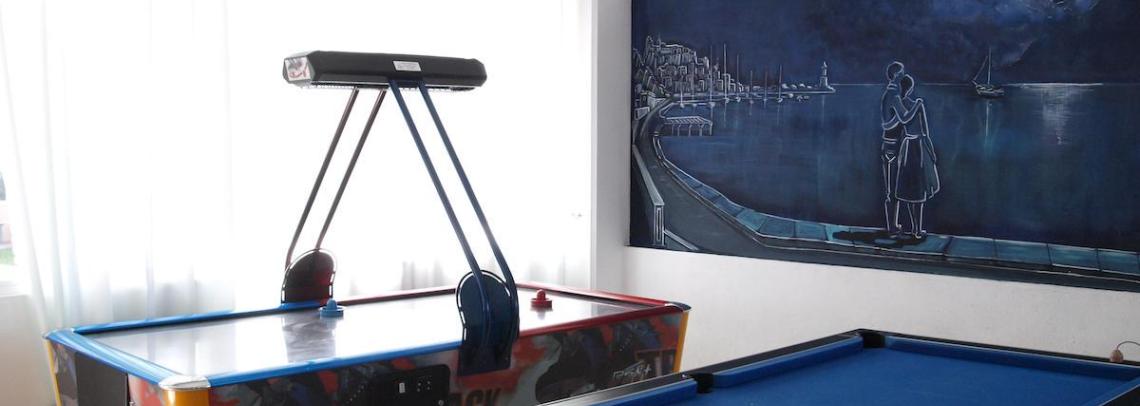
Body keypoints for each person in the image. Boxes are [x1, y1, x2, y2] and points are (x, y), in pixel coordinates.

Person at [879, 62, 924, 236]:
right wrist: (917, 105)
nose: (904, 76)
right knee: (893, 187)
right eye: (902, 73)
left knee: (892, 187)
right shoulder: (894, 95)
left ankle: (893, 225)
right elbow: (905, 118)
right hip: (894, 144)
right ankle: (892, 226)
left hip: (888, 143)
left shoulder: (888, 94)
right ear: (897, 75)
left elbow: (886, 122)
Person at [894, 74, 940, 239]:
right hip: (917, 147)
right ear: (911, 88)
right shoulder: (916, 104)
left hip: (910, 146)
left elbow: (907, 122)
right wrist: (931, 151)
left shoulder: (899, 103)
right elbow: (921, 129)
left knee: (911, 190)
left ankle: (916, 228)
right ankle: (917, 229)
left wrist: (930, 151)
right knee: (917, 191)